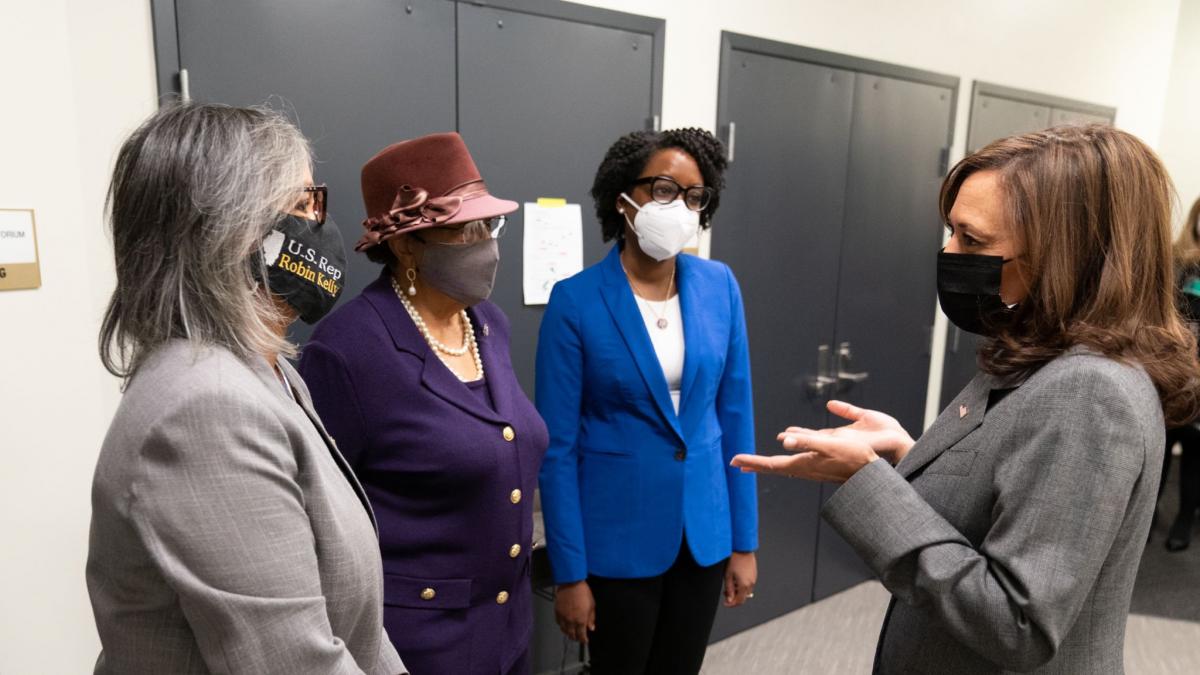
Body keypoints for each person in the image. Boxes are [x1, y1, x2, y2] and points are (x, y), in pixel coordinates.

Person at [733, 124, 1200, 674]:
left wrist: (869, 485)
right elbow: (1011, 500)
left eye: (972, 241)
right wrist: (909, 457)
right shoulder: (1042, 355)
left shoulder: (1090, 390)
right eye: (950, 232)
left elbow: (1016, 625)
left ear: (1065, 254)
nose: (948, 253)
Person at [88, 102, 404, 674]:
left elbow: (353, 629)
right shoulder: (204, 407)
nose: (320, 223)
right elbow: (296, 661)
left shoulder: (265, 370)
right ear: (232, 229)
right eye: (303, 203)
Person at [297, 132, 548, 675]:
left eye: (491, 225)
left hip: (510, 631)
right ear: (408, 244)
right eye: (466, 229)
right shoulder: (347, 350)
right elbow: (321, 524)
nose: (488, 244)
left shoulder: (488, 323)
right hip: (417, 646)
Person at [537, 128, 758, 675]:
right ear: (624, 199)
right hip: (617, 540)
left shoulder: (719, 285)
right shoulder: (576, 301)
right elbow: (557, 449)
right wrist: (570, 574)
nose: (679, 206)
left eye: (693, 196)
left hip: (703, 533)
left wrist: (744, 542)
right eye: (664, 190)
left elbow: (736, 416)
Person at [1162, 196, 1200, 551]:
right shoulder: (1175, 259)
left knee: (1194, 453)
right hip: (1168, 370)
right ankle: (1144, 518)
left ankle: (1184, 519)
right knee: (1158, 450)